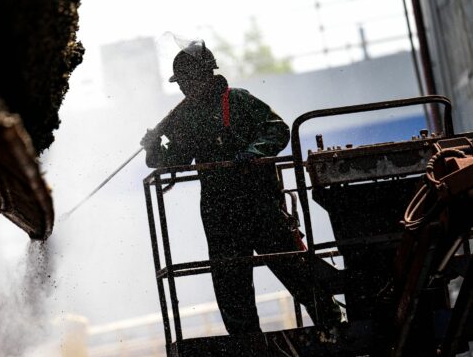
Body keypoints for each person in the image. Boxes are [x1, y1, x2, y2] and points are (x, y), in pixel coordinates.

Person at [141, 40, 340, 334]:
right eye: (181, 82)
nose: (184, 87)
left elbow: (278, 128)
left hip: (258, 201)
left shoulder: (239, 101)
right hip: (218, 209)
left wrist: (254, 152)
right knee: (229, 279)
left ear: (207, 75)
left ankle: (329, 319)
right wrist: (153, 147)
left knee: (290, 263)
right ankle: (246, 340)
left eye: (188, 80)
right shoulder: (185, 118)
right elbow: (175, 159)